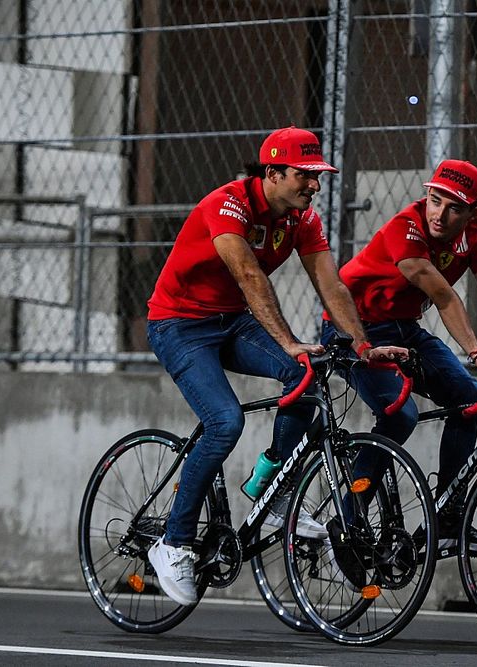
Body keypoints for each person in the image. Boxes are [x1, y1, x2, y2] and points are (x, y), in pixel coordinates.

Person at [145, 126, 404, 606]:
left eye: (317, 176)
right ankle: (173, 542)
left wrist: (363, 346)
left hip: (231, 322)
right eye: (304, 176)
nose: (315, 186)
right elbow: (247, 275)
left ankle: (276, 486)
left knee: (304, 376)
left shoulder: (302, 220)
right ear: (273, 172)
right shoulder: (226, 205)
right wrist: (287, 341)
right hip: (178, 325)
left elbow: (332, 286)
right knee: (225, 421)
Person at [322, 158, 477, 555]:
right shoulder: (407, 227)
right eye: (435, 201)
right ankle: (348, 519)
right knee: (399, 416)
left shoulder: (476, 236)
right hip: (352, 329)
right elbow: (441, 293)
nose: (440, 214)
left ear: (473, 214)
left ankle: (447, 519)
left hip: (402, 327)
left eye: (454, 207)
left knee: (470, 400)